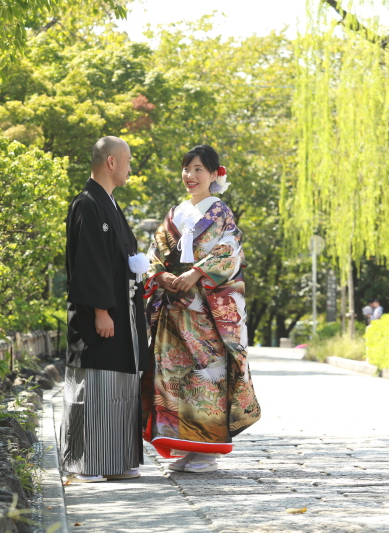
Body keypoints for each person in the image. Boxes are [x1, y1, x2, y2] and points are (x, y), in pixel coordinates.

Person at [141, 145, 261, 474]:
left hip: (206, 311)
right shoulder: (176, 213)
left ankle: (208, 451)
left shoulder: (220, 212)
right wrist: (161, 275)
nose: (190, 176)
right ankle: (187, 447)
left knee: (205, 377)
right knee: (174, 377)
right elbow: (154, 251)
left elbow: (230, 251)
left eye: (198, 169)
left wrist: (196, 273)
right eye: (186, 169)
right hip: (174, 308)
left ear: (214, 174)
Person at [61, 136, 150, 483]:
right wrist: (100, 309)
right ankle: (85, 462)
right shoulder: (87, 203)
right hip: (100, 314)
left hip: (122, 313)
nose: (130, 168)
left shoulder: (109, 202)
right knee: (95, 385)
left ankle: (116, 460)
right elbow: (89, 261)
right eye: (127, 161)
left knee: (120, 388)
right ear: (111, 162)